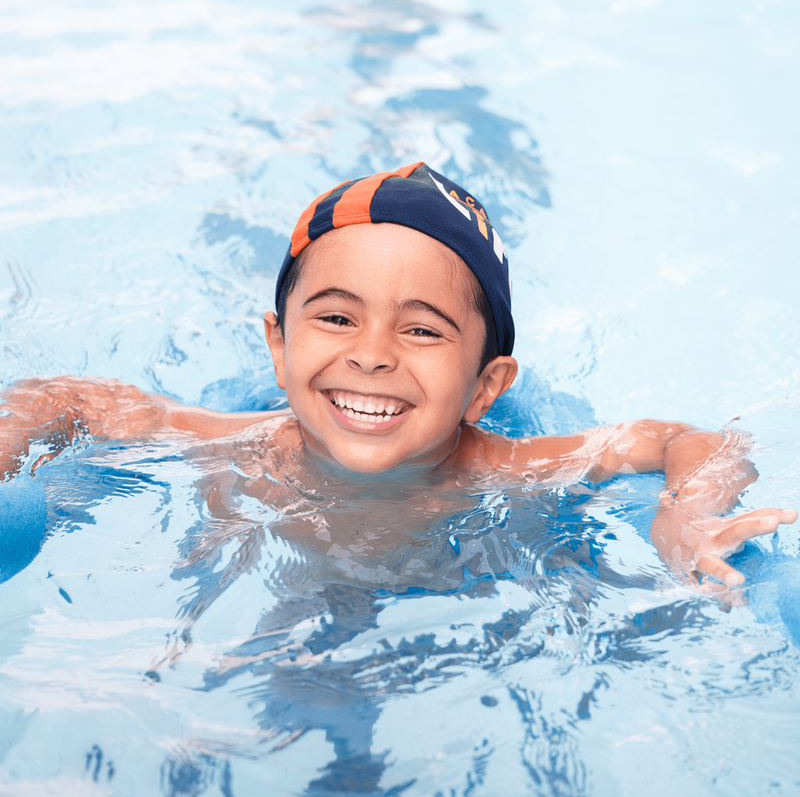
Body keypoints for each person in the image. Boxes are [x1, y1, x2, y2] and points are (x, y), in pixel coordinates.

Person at [0, 160, 795, 594]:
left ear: (485, 387)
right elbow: (67, 399)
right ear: (279, 348)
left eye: (421, 330)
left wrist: (686, 517)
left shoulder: (514, 468)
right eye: (337, 319)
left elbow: (696, 439)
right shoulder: (234, 442)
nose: (373, 355)